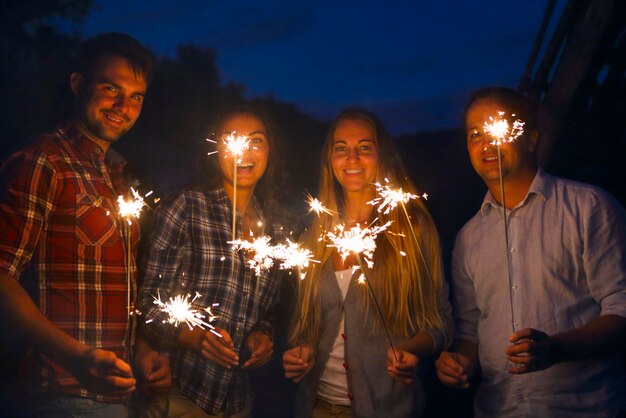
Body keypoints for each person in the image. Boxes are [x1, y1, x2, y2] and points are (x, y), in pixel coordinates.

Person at [0, 32, 170, 417]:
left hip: (114, 397)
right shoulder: (43, 161)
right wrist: (76, 358)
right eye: (111, 88)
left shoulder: (117, 176)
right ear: (78, 84)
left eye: (136, 97)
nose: (122, 105)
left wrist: (141, 351)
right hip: (54, 397)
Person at [436, 86, 626, 417]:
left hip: (583, 408)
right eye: (475, 134)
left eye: (499, 128)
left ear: (532, 139)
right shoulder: (468, 238)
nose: (487, 142)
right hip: (499, 409)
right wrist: (459, 363)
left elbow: (621, 308)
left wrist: (557, 348)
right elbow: (470, 331)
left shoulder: (589, 208)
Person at [282, 108, 454, 417]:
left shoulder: (412, 231)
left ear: (382, 156)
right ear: (329, 160)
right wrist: (302, 349)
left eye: (364, 147)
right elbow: (305, 325)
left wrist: (411, 350)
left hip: (388, 408)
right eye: (341, 148)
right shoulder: (313, 236)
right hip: (316, 407)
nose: (352, 158)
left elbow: (441, 323)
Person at [137, 106, 284, 417]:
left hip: (239, 403)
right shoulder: (185, 207)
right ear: (215, 148)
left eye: (256, 141)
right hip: (179, 397)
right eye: (232, 139)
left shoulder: (274, 230)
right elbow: (145, 302)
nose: (244, 150)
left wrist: (262, 337)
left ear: (270, 150)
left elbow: (265, 312)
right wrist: (195, 337)